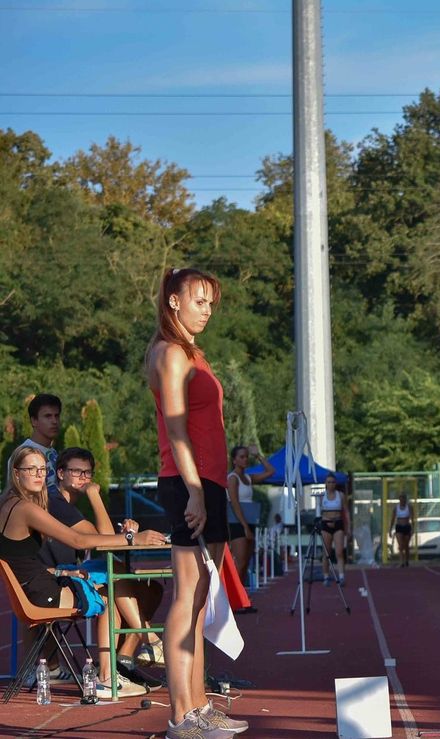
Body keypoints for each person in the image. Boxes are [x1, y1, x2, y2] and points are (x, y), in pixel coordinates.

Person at [145, 267, 247, 738]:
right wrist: (194, 491)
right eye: (198, 301)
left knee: (202, 599)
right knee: (186, 598)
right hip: (188, 482)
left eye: (210, 303)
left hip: (209, 481)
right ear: (173, 302)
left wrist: (212, 486)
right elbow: (177, 427)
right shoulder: (168, 353)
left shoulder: (192, 352)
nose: (206, 310)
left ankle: (201, 706)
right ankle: (179, 715)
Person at [0, 447, 167, 695]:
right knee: (110, 587)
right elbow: (79, 540)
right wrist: (132, 538)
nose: (38, 474)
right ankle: (112, 674)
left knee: (116, 575)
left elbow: (20, 559)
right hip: (39, 593)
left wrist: (62, 574)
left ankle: (133, 654)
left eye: (41, 469)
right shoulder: (26, 508)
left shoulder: (10, 503)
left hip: (37, 584)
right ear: (16, 473)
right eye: (30, 469)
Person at [226, 445, 275, 587]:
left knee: (246, 563)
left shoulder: (248, 477)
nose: (245, 459)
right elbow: (234, 503)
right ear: (234, 460)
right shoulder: (233, 478)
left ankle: (241, 597)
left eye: (247, 456)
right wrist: (245, 526)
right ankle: (232, 598)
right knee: (239, 563)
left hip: (250, 522)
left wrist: (258, 455)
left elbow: (271, 471)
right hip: (237, 523)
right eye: (241, 457)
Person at [4, 394, 62, 498]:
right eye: (48, 416)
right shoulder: (23, 454)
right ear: (34, 421)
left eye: (56, 416)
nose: (54, 421)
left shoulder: (52, 452)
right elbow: (15, 498)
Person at [318, 474, 351, 585]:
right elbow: (319, 513)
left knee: (339, 552)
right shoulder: (322, 496)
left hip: (338, 524)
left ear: (335, 483)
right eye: (329, 482)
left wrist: (348, 527)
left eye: (333, 482)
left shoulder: (340, 495)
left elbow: (346, 512)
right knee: (326, 553)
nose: (331, 484)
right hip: (326, 525)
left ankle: (341, 577)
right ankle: (326, 576)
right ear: (325, 484)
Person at [392, 493, 415, 567]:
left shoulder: (409, 507)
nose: (402, 500)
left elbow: (412, 518)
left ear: (405, 499)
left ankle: (407, 561)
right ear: (399, 500)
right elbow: (392, 519)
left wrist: (413, 528)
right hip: (399, 527)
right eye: (401, 499)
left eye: (403, 499)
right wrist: (390, 529)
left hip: (407, 527)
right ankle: (401, 562)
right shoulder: (396, 508)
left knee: (406, 546)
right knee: (401, 545)